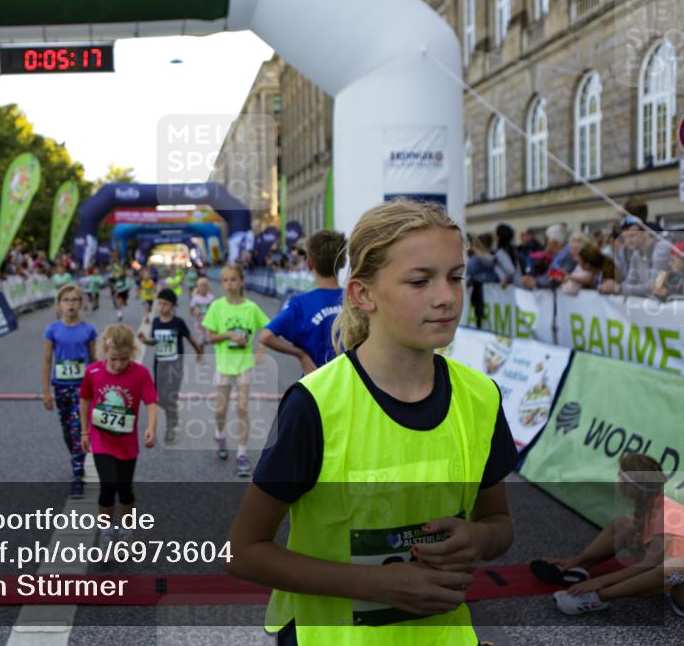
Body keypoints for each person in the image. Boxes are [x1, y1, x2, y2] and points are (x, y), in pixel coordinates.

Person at [224, 199, 517, 646]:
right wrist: (376, 585)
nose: (446, 296)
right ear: (363, 294)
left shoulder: (481, 396)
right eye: (420, 281)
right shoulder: (315, 405)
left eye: (455, 277)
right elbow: (244, 552)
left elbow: (498, 522)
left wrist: (477, 538)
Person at [550, 453, 684, 616]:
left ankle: (596, 598)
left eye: (619, 476)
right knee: (622, 525)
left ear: (630, 487)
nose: (617, 480)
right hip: (674, 581)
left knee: (675, 567)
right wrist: (578, 560)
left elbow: (648, 565)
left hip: (677, 584)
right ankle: (578, 566)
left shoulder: (666, 514)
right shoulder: (652, 503)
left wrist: (601, 582)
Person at [79, 324, 158, 545]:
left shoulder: (140, 373)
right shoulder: (93, 372)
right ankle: (106, 530)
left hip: (127, 443)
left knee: (125, 488)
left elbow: (151, 401)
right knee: (108, 484)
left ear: (132, 353)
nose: (118, 364)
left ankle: (127, 528)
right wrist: (85, 431)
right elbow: (85, 399)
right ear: (105, 351)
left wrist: (151, 427)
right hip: (101, 439)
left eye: (124, 359)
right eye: (113, 359)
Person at [202, 264, 270, 477]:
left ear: (241, 281)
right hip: (224, 366)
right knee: (220, 410)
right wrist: (230, 335)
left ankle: (242, 454)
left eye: (233, 279)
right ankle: (220, 435)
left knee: (242, 408)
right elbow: (210, 337)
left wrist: (260, 349)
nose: (229, 283)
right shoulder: (217, 307)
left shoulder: (251, 308)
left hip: (243, 365)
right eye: (225, 280)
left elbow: (269, 329)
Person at [260, 229, 346, 375]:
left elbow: (266, 336)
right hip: (351, 384)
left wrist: (301, 355)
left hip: (315, 384)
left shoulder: (300, 305)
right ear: (343, 262)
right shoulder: (357, 299)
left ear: (310, 264)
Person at [42, 284, 97, 498]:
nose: (71, 304)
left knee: (77, 430)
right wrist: (46, 391)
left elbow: (94, 362)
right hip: (61, 387)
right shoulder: (52, 330)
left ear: (81, 303)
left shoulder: (88, 330)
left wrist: (99, 388)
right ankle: (77, 458)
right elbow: (47, 361)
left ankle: (77, 476)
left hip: (82, 388)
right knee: (67, 430)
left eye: (75, 300)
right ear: (58, 304)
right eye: (66, 300)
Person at [137, 289, 203, 444]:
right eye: (159, 303)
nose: (161, 307)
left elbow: (189, 337)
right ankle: (173, 416)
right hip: (159, 365)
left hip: (175, 365)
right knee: (159, 397)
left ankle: (170, 427)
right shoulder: (156, 321)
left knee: (169, 396)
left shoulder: (178, 322)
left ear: (172, 305)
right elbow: (155, 341)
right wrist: (145, 341)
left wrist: (199, 351)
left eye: (165, 304)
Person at [189, 277, 216, 348]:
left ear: (207, 287)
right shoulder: (195, 299)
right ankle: (201, 353)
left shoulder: (211, 297)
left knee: (209, 339)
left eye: (205, 285)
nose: (203, 287)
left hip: (209, 321)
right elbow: (191, 310)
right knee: (200, 340)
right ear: (197, 287)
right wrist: (195, 314)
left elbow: (215, 310)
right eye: (201, 285)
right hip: (199, 322)